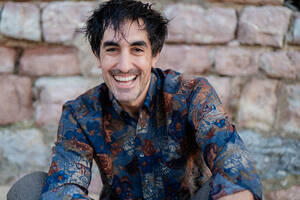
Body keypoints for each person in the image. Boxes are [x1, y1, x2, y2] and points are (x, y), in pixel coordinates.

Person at [35, 0, 262, 199]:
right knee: (30, 188)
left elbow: (231, 156)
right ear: (98, 57)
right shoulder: (80, 112)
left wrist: (235, 190)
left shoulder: (192, 93)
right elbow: (64, 187)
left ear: (154, 55)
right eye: (112, 50)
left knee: (233, 183)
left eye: (137, 50)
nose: (124, 66)